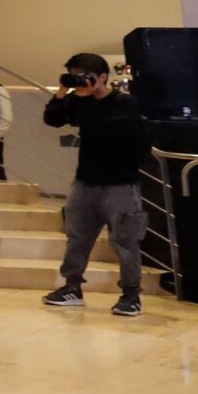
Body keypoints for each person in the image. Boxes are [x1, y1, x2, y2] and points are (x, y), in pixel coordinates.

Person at [42, 52, 151, 317]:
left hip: (120, 184)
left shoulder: (125, 103)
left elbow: (113, 132)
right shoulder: (77, 100)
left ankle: (131, 295)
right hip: (85, 182)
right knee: (77, 237)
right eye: (74, 76)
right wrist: (63, 91)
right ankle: (72, 287)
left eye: (85, 76)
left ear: (103, 77)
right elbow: (52, 119)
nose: (81, 81)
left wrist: (87, 100)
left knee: (125, 240)